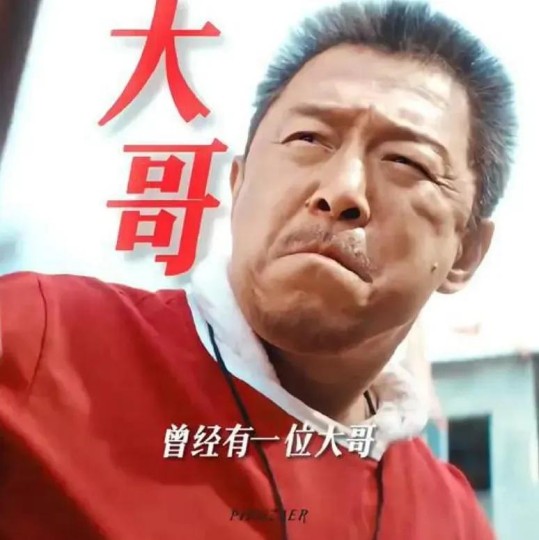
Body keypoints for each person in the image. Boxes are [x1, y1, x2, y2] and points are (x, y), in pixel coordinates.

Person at [0, 1, 516, 539]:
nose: (341, 190)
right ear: (237, 183)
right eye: (308, 139)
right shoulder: (43, 342)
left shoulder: (451, 520)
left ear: (466, 253)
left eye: (406, 162)